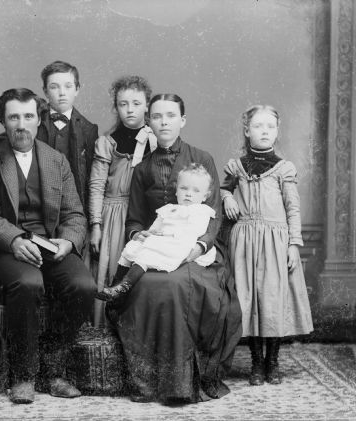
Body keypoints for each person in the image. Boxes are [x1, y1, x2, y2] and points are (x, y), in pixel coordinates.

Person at [0, 88, 96, 404]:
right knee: (27, 282)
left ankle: (52, 369)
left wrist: (68, 240)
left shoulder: (56, 160)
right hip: (7, 247)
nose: (21, 124)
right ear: (3, 121)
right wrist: (14, 240)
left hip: (50, 244)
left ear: (39, 119)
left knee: (83, 286)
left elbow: (75, 213)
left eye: (28, 116)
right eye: (14, 117)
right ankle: (22, 374)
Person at [111, 93, 242, 405]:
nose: (164, 122)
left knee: (173, 284)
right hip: (159, 246)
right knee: (149, 284)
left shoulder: (202, 158)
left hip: (198, 249)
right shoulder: (142, 170)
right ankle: (146, 382)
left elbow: (213, 216)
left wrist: (199, 247)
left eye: (171, 115)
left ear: (182, 120)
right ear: (150, 122)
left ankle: (180, 384)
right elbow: (135, 219)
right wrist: (139, 235)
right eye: (157, 117)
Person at [220, 105, 313, 386]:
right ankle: (256, 363)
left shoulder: (284, 169)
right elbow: (223, 188)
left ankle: (272, 361)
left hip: (275, 241)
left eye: (270, 127)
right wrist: (227, 198)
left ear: (277, 132)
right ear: (247, 131)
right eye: (258, 126)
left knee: (271, 302)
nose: (264, 131)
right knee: (249, 300)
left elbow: (293, 209)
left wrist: (294, 245)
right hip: (246, 241)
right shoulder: (236, 166)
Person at [88, 75, 156, 325]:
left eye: (136, 103)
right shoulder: (107, 143)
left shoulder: (156, 141)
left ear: (147, 105)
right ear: (115, 106)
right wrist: (96, 225)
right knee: (110, 272)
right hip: (113, 216)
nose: (130, 109)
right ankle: (103, 330)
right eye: (123, 104)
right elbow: (96, 187)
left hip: (144, 217)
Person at [97, 163, 217, 301]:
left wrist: (167, 235)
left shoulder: (200, 211)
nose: (189, 194)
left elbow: (195, 231)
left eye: (196, 191)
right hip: (163, 240)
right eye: (184, 188)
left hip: (181, 244)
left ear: (205, 196)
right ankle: (117, 285)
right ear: (177, 191)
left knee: (146, 255)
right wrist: (150, 233)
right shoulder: (169, 209)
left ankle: (125, 286)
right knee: (132, 247)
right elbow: (155, 227)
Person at [37, 60, 98, 210]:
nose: (62, 93)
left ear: (77, 89)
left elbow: (90, 177)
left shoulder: (88, 129)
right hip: (38, 201)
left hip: (73, 205)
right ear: (45, 91)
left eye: (68, 86)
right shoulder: (34, 123)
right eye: (54, 87)